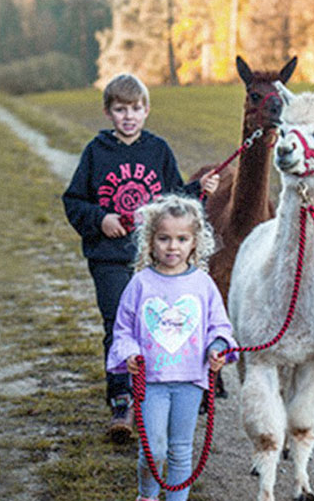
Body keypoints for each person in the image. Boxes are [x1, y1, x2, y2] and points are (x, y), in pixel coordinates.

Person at [63, 73, 219, 442]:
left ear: (147, 110)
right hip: (110, 258)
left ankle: (156, 392)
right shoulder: (96, 152)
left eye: (135, 109)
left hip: (151, 261)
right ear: (108, 112)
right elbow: (73, 201)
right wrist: (101, 219)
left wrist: (200, 190)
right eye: (120, 109)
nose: (128, 116)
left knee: (157, 325)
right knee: (119, 323)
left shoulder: (158, 150)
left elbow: (174, 199)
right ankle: (121, 399)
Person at [106, 194, 235, 501]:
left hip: (189, 382)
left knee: (180, 450)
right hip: (151, 384)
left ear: (195, 242)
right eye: (164, 238)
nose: (172, 246)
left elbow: (218, 325)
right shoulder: (141, 284)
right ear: (151, 241)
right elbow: (124, 329)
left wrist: (217, 347)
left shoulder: (203, 285)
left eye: (181, 239)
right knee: (153, 450)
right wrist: (131, 354)